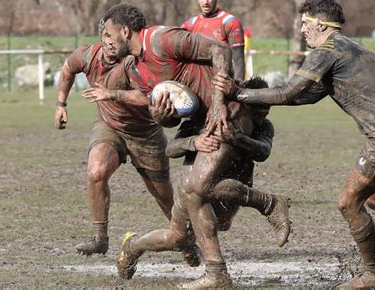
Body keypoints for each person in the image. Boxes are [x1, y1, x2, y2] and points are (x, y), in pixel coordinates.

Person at [214, 0, 375, 288]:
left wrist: (239, 94)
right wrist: (258, 100)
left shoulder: (326, 50)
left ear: (320, 24)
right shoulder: (351, 47)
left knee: (348, 202)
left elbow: (289, 92)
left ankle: (373, 273)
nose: (302, 30)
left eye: (305, 23)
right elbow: (305, 96)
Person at [93, 4, 290, 288]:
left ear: (125, 31)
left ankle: (224, 264)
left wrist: (220, 105)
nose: (107, 41)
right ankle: (133, 247)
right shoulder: (136, 71)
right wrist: (161, 115)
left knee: (198, 188)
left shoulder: (162, 39)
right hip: (196, 127)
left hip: (228, 112)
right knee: (179, 233)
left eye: (109, 34)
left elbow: (220, 51)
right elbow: (171, 116)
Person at [116, 77, 288, 285]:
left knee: (208, 228)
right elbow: (171, 149)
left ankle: (212, 272)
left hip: (234, 183)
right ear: (243, 102)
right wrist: (194, 142)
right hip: (191, 183)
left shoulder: (263, 126)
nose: (261, 116)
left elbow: (263, 152)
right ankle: (133, 246)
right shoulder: (209, 116)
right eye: (256, 109)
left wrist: (237, 138)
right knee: (180, 236)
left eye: (266, 110)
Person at [54, 20, 199, 267]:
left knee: (166, 199)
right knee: (96, 171)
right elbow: (68, 69)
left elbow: (150, 97)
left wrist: (113, 94)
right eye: (106, 36)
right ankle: (100, 238)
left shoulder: (135, 61)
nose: (110, 42)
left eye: (113, 37)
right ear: (101, 36)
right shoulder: (87, 56)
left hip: (146, 135)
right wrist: (60, 104)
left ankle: (187, 243)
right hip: (110, 128)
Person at [182, 0, 245, 80]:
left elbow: (239, 62)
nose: (205, 2)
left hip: (221, 85)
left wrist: (238, 90)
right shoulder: (189, 25)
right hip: (195, 84)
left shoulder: (230, 23)